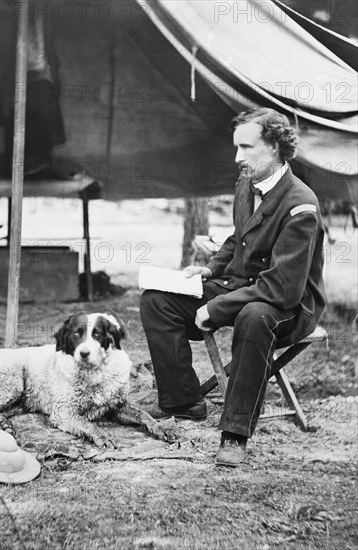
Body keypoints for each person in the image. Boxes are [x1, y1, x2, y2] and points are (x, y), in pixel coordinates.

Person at [140, 107, 326, 467]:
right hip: (244, 287)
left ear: (273, 147)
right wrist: (210, 271)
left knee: (255, 317)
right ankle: (183, 401)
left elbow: (282, 289)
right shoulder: (248, 182)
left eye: (247, 147)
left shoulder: (301, 206)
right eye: (236, 147)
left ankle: (235, 434)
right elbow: (238, 238)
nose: (237, 157)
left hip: (290, 307)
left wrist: (217, 307)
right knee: (157, 300)